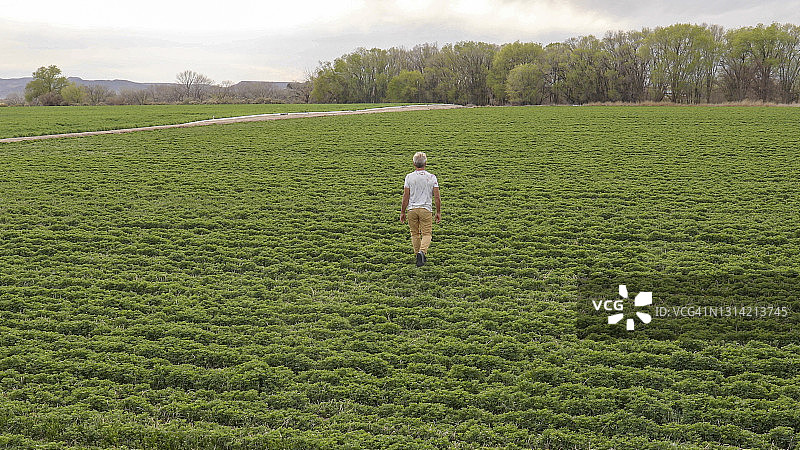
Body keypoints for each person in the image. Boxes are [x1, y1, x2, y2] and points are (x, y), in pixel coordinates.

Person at [400, 151, 441, 267]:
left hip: (412, 209)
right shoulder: (432, 177)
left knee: (415, 234)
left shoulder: (409, 177)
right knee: (427, 234)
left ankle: (418, 255)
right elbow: (437, 197)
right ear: (425, 163)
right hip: (426, 209)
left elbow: (406, 196)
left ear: (414, 164)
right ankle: (422, 252)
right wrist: (438, 212)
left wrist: (402, 211)